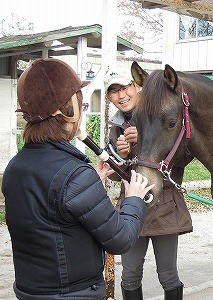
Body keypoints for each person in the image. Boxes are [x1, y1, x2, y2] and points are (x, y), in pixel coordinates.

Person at [2, 58, 154, 300]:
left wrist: (92, 184)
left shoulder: (15, 168)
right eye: (81, 105)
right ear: (68, 111)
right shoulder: (75, 176)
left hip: (30, 291)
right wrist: (134, 199)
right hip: (75, 293)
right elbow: (121, 239)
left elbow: (54, 215)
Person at [104, 70, 193, 300]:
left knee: (168, 275)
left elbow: (184, 157)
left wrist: (143, 138)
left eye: (125, 87)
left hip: (164, 207)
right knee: (130, 274)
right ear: (109, 98)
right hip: (132, 208)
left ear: (136, 87)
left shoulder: (160, 114)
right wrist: (122, 158)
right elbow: (115, 174)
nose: (121, 95)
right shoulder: (116, 128)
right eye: (114, 91)